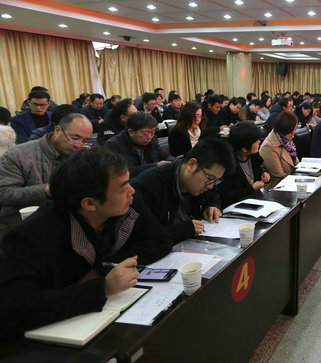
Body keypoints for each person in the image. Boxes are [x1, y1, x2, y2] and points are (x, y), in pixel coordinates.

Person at [0, 148, 171, 341]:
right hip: (52, 340)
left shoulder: (128, 205)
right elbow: (13, 311)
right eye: (123, 188)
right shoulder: (32, 236)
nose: (132, 191)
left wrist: (102, 269)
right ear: (90, 203)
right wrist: (102, 288)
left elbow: (160, 241)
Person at [131, 139, 233, 243]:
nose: (211, 186)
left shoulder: (204, 181)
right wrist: (182, 230)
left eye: (215, 181)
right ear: (191, 165)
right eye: (210, 179)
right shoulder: (149, 185)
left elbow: (212, 197)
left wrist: (212, 205)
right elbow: (140, 236)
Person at [0, 113, 92, 212]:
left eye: (85, 141)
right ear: (57, 130)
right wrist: (48, 190)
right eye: (74, 138)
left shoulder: (83, 155)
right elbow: (4, 194)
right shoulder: (18, 154)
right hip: (25, 217)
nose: (79, 145)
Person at [104, 113, 174, 178]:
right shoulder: (113, 145)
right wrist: (156, 166)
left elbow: (164, 155)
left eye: (153, 132)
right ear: (131, 132)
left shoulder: (152, 139)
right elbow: (125, 171)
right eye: (145, 133)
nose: (149, 137)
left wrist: (174, 162)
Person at [219, 123, 270, 206]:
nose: (259, 142)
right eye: (256, 140)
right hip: (236, 206)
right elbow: (226, 196)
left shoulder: (253, 156)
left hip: (255, 201)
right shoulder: (228, 164)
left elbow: (258, 171)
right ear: (244, 148)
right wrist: (251, 189)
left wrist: (263, 174)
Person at [260, 111, 299, 182]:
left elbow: (297, 165)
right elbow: (279, 176)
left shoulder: (286, 140)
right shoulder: (268, 147)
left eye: (295, 129)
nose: (294, 132)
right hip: (280, 185)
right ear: (285, 128)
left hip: (292, 181)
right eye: (292, 129)